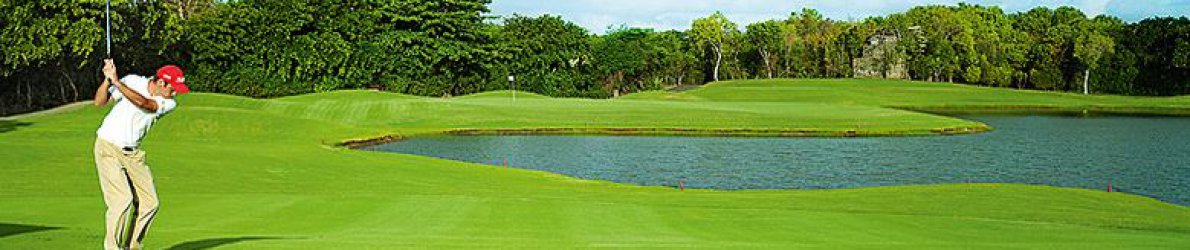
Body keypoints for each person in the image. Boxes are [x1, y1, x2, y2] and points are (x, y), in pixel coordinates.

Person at [92, 59, 189, 250]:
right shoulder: (132, 81)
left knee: (150, 203)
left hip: (132, 154)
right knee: (122, 201)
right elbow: (99, 102)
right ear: (161, 83)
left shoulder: (168, 103)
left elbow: (145, 103)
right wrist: (107, 80)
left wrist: (118, 82)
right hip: (107, 147)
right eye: (173, 88)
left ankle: (132, 246)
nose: (175, 93)